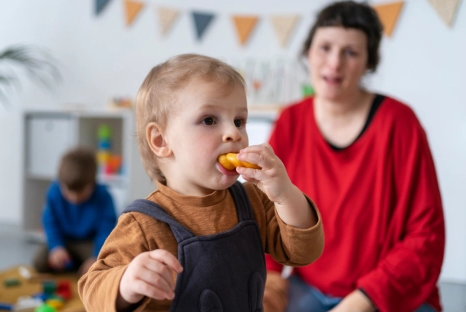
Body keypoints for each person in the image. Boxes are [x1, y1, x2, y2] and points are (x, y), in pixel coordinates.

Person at [78, 54, 325, 311]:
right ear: (161, 141)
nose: (234, 133)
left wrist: (285, 194)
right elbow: (92, 289)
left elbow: (304, 252)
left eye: (239, 121)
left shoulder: (253, 202)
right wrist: (125, 284)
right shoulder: (143, 224)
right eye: (209, 120)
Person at [263, 1, 446, 312]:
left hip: (387, 294)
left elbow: (426, 236)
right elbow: (265, 210)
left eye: (351, 52)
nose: (334, 64)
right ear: (308, 52)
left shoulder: (400, 123)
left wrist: (364, 300)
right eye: (325, 48)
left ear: (368, 63)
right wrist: (268, 279)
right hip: (310, 287)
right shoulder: (291, 121)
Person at [33, 146, 117, 277]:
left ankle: (80, 265)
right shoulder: (54, 191)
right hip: (64, 241)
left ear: (93, 183)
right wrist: (56, 247)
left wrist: (96, 256)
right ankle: (72, 265)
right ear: (60, 183)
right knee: (39, 262)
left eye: (81, 192)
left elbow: (106, 230)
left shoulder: (103, 196)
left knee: (108, 262)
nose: (74, 198)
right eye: (68, 192)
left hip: (89, 244)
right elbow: (50, 222)